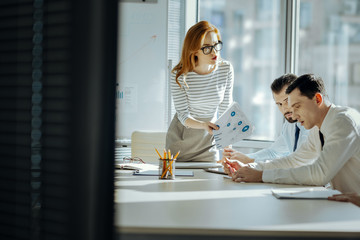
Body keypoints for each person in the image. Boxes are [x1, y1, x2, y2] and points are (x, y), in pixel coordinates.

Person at [225, 74, 360, 194]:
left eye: (297, 106)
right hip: (344, 204)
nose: (293, 115)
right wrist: (250, 167)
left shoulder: (343, 122)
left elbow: (320, 173)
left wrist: (261, 175)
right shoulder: (318, 128)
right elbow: (294, 160)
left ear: (317, 100)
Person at [165, 21, 234, 162]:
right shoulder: (179, 75)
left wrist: (227, 146)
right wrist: (203, 125)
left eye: (216, 45)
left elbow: (226, 109)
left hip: (208, 141)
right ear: (194, 50)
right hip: (182, 138)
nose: (214, 52)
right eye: (207, 48)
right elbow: (183, 115)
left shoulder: (225, 69)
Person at [221, 73, 309, 165]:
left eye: (287, 101)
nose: (284, 109)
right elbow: (274, 152)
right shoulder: (290, 125)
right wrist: (245, 158)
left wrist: (252, 165)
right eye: (279, 104)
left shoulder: (312, 125)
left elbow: (301, 164)